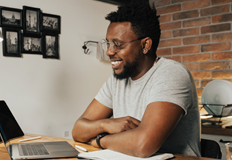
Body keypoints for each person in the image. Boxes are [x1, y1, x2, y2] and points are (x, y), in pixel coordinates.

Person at [72, 0, 201, 158]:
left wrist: (99, 139)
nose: (109, 52)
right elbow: (78, 130)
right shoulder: (116, 81)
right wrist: (106, 123)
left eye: (118, 44)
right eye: (108, 43)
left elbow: (142, 145)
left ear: (145, 45)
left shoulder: (171, 74)